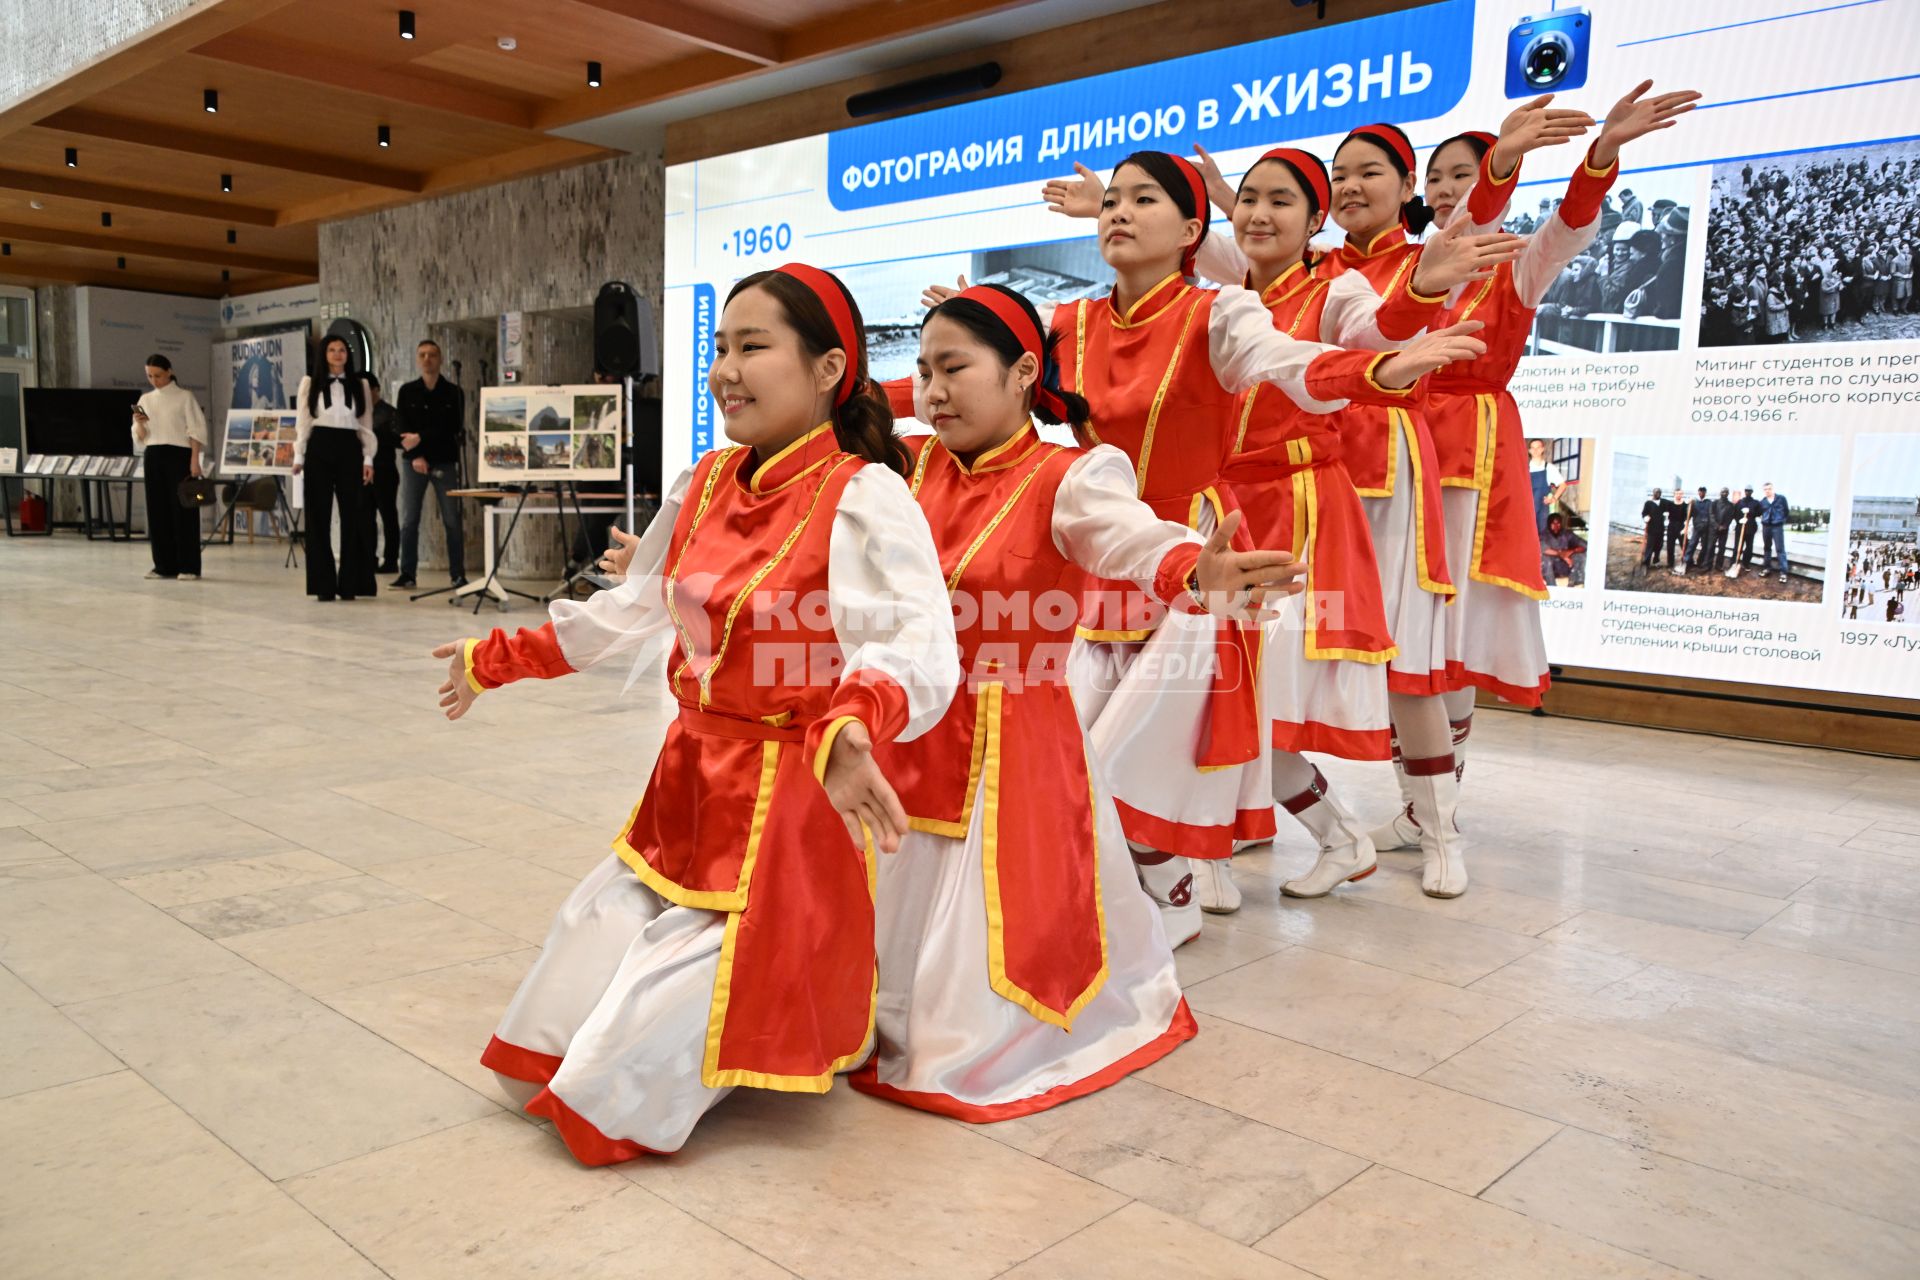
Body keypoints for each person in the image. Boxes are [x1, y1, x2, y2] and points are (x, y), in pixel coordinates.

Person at [454, 263, 959, 1165]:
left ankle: (756, 1022)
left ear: (829, 368)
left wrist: (851, 724)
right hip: (686, 783)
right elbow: (633, 607)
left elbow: (917, 638)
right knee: (529, 1065)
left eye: (754, 347)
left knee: (607, 1102)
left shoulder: (863, 493)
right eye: (720, 348)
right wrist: (497, 658)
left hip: (784, 814)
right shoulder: (706, 481)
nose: (725, 369)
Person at [1017, 147, 1488, 924]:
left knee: (1217, 717)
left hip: (1228, 534)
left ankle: (1424, 834)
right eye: (1113, 205)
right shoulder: (1074, 323)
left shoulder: (1244, 308)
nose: (1120, 215)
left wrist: (1396, 349)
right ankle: (1210, 870)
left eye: (1284, 201)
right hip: (1116, 551)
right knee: (1153, 726)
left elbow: (1310, 360)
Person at [292, 337, 376, 601]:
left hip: (350, 447)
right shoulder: (310, 383)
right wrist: (299, 454)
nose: (337, 354)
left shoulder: (360, 384)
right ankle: (323, 584)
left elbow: (365, 423)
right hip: (320, 446)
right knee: (318, 516)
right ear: (324, 354)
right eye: (332, 350)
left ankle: (352, 583)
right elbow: (303, 422)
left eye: (342, 350)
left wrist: (368, 458)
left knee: (354, 515)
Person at [393, 339, 466, 590]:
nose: (427, 359)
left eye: (432, 355)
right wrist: (416, 456)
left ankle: (458, 573)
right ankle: (408, 573)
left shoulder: (453, 392)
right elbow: (402, 428)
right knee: (409, 518)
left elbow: (452, 428)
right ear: (417, 359)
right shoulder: (407, 391)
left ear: (440, 359)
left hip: (444, 461)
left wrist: (421, 438)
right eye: (422, 354)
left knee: (452, 519)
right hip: (414, 462)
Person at [129, 353, 206, 581]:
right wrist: (140, 425)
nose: (155, 380)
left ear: (169, 371)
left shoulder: (185, 397)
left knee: (184, 509)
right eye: (150, 376)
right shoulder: (145, 400)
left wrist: (194, 460)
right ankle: (163, 565)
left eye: (158, 375)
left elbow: (196, 430)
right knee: (157, 510)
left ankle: (189, 566)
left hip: (179, 455)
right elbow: (140, 437)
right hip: (153, 454)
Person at [366, 373, 402, 575]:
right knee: (367, 516)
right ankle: (369, 558)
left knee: (388, 516)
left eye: (368, 390)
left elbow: (399, 440)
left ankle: (391, 560)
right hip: (365, 472)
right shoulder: (359, 413)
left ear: (376, 389)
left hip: (385, 471)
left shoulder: (389, 413)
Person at [1529, 438, 1570, 538]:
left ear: (1543, 449)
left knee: (1541, 537)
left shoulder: (1549, 468)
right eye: (1533, 448)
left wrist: (1553, 498)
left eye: (1538, 447)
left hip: (1542, 510)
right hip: (1527, 509)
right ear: (1529, 451)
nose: (1535, 450)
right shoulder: (1524, 467)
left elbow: (1563, 485)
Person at [1539, 512, 1586, 586]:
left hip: (1565, 567)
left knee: (1581, 556)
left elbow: (1584, 545)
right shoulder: (1543, 535)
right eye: (1553, 524)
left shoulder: (1567, 534)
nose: (1556, 526)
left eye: (1558, 523)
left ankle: (1574, 583)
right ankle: (1552, 588)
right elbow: (1542, 548)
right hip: (1550, 570)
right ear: (1548, 524)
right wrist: (1561, 554)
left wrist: (1572, 551)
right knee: (1545, 558)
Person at [1760, 480, 1791, 582]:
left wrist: (1781, 520)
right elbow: (1760, 513)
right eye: (1765, 489)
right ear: (1763, 491)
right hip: (1766, 527)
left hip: (1777, 527)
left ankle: (1783, 573)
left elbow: (1786, 511)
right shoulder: (1763, 502)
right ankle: (1766, 568)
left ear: (1773, 489)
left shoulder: (1781, 499)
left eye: (1769, 489)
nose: (1767, 491)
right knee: (1767, 548)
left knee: (1780, 549)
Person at [1733, 485, 1765, 570]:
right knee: (1737, 546)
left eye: (1749, 491)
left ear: (1752, 492)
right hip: (1740, 527)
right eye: (1746, 491)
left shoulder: (1755, 503)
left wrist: (1750, 512)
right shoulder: (1740, 502)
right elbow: (1735, 513)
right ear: (1745, 491)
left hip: (1750, 528)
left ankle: (1745, 563)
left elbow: (1759, 513)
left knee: (1749, 547)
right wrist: (1739, 520)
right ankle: (1734, 562)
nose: (1748, 492)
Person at [1687, 485, 1715, 569]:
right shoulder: (1694, 502)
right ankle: (1687, 561)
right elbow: (1688, 514)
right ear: (1698, 492)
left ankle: (1700, 562)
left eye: (1703, 491)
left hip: (1706, 528)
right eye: (1700, 491)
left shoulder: (1709, 502)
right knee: (1692, 544)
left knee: (1705, 546)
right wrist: (1689, 505)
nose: (1702, 493)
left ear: (1705, 493)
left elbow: (1711, 514)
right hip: (1696, 527)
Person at [1710, 486, 1737, 570]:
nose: (1724, 493)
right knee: (1711, 546)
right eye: (1723, 492)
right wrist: (1717, 525)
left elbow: (1731, 516)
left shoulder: (1731, 505)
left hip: (1724, 530)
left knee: (1722, 548)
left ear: (1728, 494)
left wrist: (1725, 525)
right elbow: (1711, 515)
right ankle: (1708, 564)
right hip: (1714, 529)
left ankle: (1719, 565)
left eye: (1726, 492)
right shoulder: (1715, 503)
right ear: (1720, 493)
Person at [1664, 486, 1689, 571]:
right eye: (1677, 494)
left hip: (1681, 526)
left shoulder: (1685, 505)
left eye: (1680, 494)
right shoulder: (1669, 504)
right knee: (1670, 545)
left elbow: (1687, 517)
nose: (1678, 495)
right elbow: (1662, 510)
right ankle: (1670, 562)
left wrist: (1685, 527)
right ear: (1674, 495)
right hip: (1671, 526)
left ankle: (1687, 561)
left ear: (1682, 495)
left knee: (1685, 544)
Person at [1641, 487, 1666, 567]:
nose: (1658, 493)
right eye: (1656, 492)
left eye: (1659, 492)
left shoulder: (1663, 503)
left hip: (1661, 528)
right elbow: (1644, 513)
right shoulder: (1648, 503)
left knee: (1659, 545)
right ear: (1653, 493)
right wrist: (1645, 517)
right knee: (1650, 545)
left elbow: (1672, 506)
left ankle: (1656, 560)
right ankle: (1646, 561)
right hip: (1651, 528)